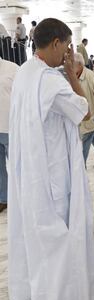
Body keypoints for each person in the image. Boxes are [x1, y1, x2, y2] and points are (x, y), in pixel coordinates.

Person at [8, 18, 94, 300]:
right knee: (59, 236)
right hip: (54, 172)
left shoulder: (26, 71)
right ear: (57, 43)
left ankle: (34, 290)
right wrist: (73, 75)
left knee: (37, 234)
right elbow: (84, 109)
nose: (67, 53)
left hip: (31, 169)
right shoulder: (52, 81)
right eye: (67, 46)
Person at [0, 58, 18, 213]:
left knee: (18, 166)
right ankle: (3, 198)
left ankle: (22, 198)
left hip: (11, 127)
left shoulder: (12, 68)